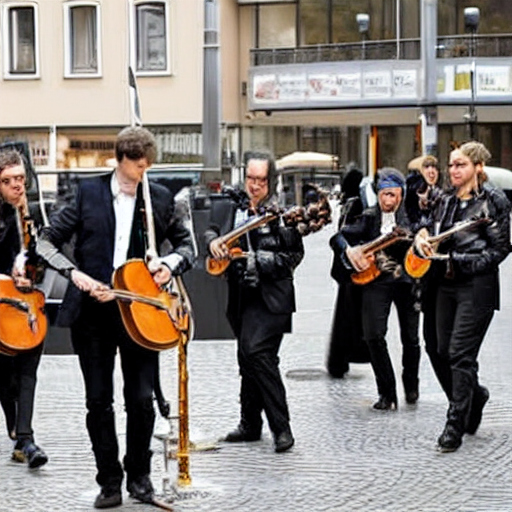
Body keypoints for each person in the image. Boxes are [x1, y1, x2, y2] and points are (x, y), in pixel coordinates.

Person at [37, 126, 194, 508]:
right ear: (121, 159)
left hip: (140, 312)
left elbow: (189, 245)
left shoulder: (157, 197)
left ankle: (139, 476)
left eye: (148, 166)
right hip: (93, 314)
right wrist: (75, 275)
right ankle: (109, 481)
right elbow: (45, 241)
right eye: (138, 166)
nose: (144, 173)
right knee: (98, 401)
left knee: (141, 400)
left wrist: (169, 265)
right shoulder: (88, 193)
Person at [413, 141, 511, 452]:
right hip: (444, 282)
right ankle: (475, 395)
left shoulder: (493, 200)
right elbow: (426, 226)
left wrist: (464, 261)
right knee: (441, 350)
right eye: (451, 165)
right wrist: (422, 237)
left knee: (459, 354)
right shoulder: (445, 199)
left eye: (460, 165)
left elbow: (500, 249)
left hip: (476, 285)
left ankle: (455, 424)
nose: (453, 170)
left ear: (477, 168)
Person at [205, 151, 304, 453]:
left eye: (261, 180)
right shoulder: (233, 204)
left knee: (256, 353)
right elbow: (212, 228)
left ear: (270, 180)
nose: (255, 185)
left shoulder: (283, 212)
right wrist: (213, 241)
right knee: (247, 358)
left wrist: (256, 259)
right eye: (251, 178)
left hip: (272, 296)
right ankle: (250, 423)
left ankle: (281, 428)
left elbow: (293, 256)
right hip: (240, 295)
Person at [330, 167, 420, 410]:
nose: (387, 200)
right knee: (373, 334)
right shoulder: (369, 217)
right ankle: (386, 391)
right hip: (376, 282)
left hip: (406, 281)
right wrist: (348, 250)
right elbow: (338, 238)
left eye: (392, 195)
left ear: (400, 195)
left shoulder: (412, 217)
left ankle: (411, 384)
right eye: (383, 195)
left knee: (410, 338)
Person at [0, 149, 49, 469]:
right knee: (5, 377)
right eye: (7, 181)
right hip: (1, 303)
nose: (16, 186)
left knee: (28, 371)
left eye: (20, 179)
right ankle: (17, 432)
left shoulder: (36, 216)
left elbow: (45, 258)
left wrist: (33, 271)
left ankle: (26, 438)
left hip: (29, 302)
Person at [327, 168, 369, 378]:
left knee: (345, 315)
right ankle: (342, 359)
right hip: (353, 265)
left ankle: (339, 360)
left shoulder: (348, 203)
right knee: (349, 315)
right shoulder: (358, 203)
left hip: (346, 266)